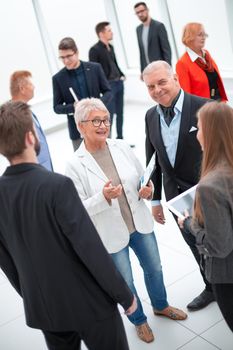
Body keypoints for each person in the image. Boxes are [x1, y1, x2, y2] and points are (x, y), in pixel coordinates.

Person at [0, 100, 137, 350]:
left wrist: (34, 297)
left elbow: (7, 262)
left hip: (45, 310)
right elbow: (90, 248)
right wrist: (124, 295)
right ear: (31, 138)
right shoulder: (57, 186)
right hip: (89, 304)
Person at [65, 97, 187, 344]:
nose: (103, 125)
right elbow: (77, 209)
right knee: (125, 282)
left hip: (139, 223)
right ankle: (139, 321)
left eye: (106, 120)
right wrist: (103, 196)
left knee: (154, 269)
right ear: (80, 126)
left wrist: (148, 189)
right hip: (111, 233)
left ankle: (160, 305)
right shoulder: (73, 165)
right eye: (96, 121)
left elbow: (143, 177)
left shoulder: (121, 146)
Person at [143, 60, 215, 311]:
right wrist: (155, 200)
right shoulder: (150, 116)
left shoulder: (205, 107)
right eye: (150, 86)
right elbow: (153, 160)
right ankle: (211, 286)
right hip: (177, 198)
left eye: (162, 82)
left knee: (222, 242)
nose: (157, 90)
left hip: (209, 193)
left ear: (175, 78)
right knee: (194, 243)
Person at [178, 102, 233, 332]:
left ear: (210, 133)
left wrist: (191, 225)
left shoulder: (210, 186)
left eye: (198, 128)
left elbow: (219, 247)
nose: (196, 134)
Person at [52, 37, 112, 151]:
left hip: (100, 124)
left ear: (77, 52)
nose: (65, 61)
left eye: (69, 56)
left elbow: (108, 92)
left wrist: (96, 104)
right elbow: (56, 107)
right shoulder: (58, 78)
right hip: (78, 131)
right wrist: (73, 107)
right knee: (83, 165)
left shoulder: (95, 68)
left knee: (108, 156)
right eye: (62, 57)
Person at [10, 70, 53, 171]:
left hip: (44, 167)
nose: (34, 87)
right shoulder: (15, 116)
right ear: (22, 89)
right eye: (31, 84)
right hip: (35, 169)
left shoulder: (26, 110)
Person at [89, 22, 125, 139]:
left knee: (120, 113)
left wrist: (121, 74)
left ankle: (120, 139)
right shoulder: (94, 50)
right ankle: (108, 142)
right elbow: (94, 73)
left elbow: (114, 64)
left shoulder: (111, 47)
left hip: (118, 83)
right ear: (101, 34)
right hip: (109, 86)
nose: (112, 32)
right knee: (109, 115)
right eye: (109, 30)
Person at [176, 22, 227, 101]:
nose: (203, 38)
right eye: (200, 35)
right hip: (203, 109)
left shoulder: (206, 54)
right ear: (189, 37)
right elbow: (186, 96)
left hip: (219, 102)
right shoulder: (182, 63)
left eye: (204, 35)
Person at [134, 2, 171, 77]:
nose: (140, 14)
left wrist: (167, 68)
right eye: (137, 12)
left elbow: (166, 50)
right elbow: (142, 52)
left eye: (142, 11)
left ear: (147, 10)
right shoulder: (138, 29)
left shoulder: (159, 26)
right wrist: (142, 70)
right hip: (148, 71)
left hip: (160, 69)